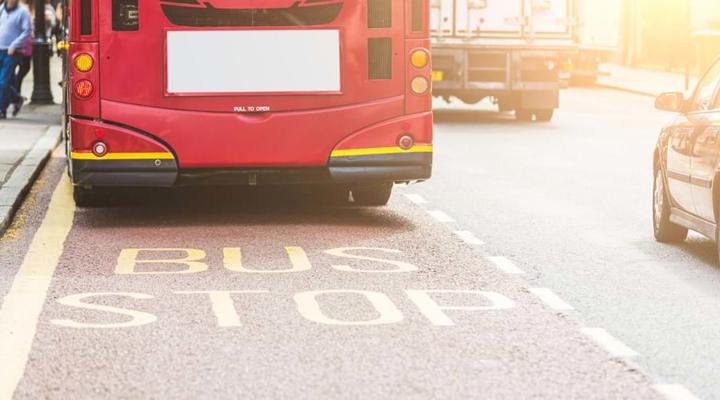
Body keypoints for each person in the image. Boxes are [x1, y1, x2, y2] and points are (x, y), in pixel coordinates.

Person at [0, 0, 32, 119]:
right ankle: (17, 99)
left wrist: (14, 45)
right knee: (4, 82)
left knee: (3, 82)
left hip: (12, 52)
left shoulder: (22, 12)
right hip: (0, 48)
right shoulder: (2, 9)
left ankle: (1, 110)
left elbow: (27, 31)